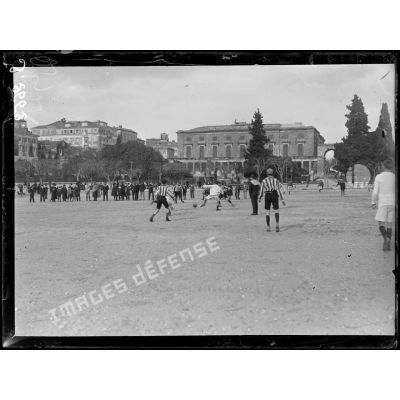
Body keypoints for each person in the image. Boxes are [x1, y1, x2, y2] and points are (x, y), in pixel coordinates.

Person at [371, 159, 395, 251]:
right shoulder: (394, 177)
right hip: (392, 203)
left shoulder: (379, 177)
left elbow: (375, 192)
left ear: (383, 166)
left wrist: (373, 202)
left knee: (380, 222)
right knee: (389, 224)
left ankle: (386, 238)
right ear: (391, 167)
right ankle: (387, 246)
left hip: (383, 203)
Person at [259, 168, 286, 232]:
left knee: (267, 211)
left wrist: (260, 197)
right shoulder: (276, 180)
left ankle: (268, 226)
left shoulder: (264, 180)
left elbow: (261, 190)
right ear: (272, 173)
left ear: (267, 173)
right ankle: (277, 224)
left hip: (267, 195)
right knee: (276, 210)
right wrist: (282, 199)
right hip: (274, 195)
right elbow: (279, 189)